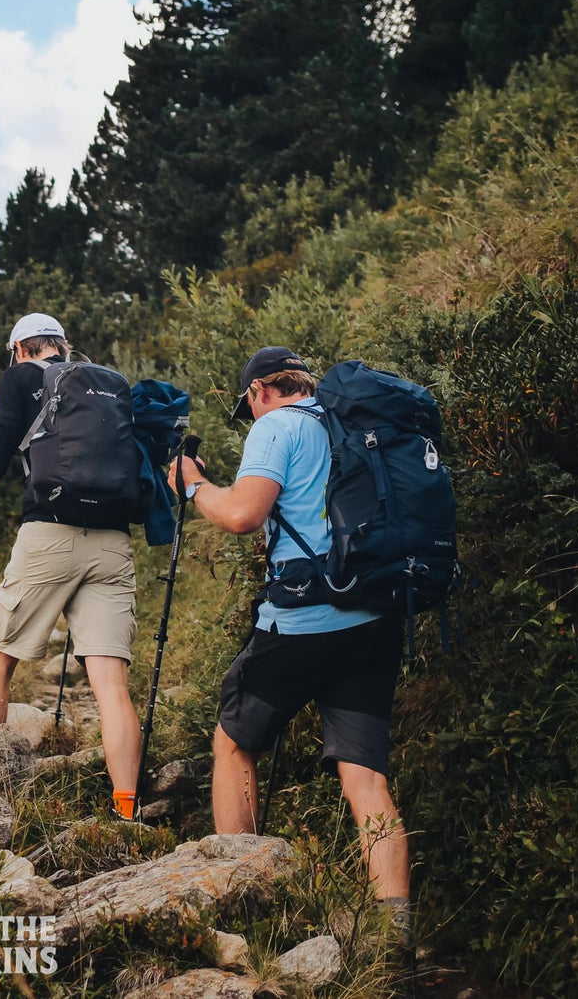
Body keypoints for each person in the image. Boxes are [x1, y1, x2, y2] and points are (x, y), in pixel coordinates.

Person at [170, 347, 413, 937]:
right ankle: (395, 936)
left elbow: (243, 515)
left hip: (304, 622)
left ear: (259, 393)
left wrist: (193, 485)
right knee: (367, 778)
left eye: (247, 406)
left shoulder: (277, 425)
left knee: (232, 742)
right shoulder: (352, 423)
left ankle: (244, 901)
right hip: (376, 617)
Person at [0, 313, 143, 821]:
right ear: (64, 347)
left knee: (0, 660)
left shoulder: (22, 377)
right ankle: (128, 809)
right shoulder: (110, 383)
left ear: (19, 349)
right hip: (113, 541)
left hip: (48, 532)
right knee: (111, 685)